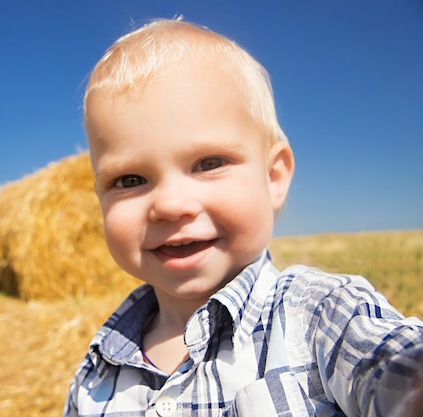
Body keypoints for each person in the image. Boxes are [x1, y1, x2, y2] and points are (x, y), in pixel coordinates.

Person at [63, 18, 423, 417]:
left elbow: (395, 368)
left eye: (208, 163)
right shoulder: (95, 374)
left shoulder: (321, 318)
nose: (169, 205)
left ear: (272, 177)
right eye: (129, 179)